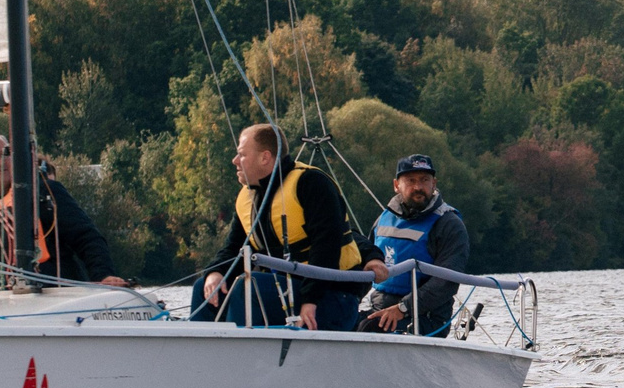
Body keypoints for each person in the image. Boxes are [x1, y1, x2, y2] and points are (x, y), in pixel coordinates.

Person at [194, 123, 367, 331]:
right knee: (203, 288)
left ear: (265, 157)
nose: (235, 161)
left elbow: (326, 247)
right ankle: (199, 354)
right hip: (285, 293)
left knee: (250, 287)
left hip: (332, 296)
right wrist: (216, 271)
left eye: (241, 155)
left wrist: (310, 300)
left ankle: (240, 354)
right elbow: (234, 248)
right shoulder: (249, 197)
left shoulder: (311, 183)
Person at [0, 133, 127, 298]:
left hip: (56, 296)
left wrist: (104, 275)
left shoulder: (44, 192)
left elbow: (87, 238)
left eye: (6, 153)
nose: (0, 162)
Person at [360, 154, 470, 334]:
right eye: (410, 180)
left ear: (434, 184)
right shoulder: (383, 219)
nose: (418, 187)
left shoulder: (449, 224)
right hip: (380, 310)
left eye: (424, 180)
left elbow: (447, 281)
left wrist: (403, 308)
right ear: (397, 185)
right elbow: (363, 265)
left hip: (425, 318)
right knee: (338, 322)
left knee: (370, 328)